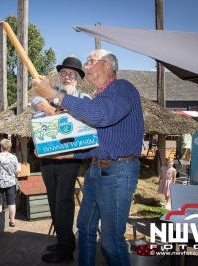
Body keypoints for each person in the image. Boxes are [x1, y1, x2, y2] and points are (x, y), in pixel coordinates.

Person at [32, 49, 144, 266]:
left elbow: (99, 115)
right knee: (84, 228)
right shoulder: (100, 97)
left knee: (111, 241)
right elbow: (96, 143)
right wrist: (67, 154)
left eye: (91, 62)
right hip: (96, 169)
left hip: (118, 172)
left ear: (108, 65)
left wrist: (55, 95)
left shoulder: (122, 88)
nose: (86, 67)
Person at [33, 56, 91, 263]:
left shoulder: (84, 99)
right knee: (52, 202)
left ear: (78, 79)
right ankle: (64, 241)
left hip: (68, 159)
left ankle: (65, 250)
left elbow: (85, 121)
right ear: (59, 76)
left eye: (71, 74)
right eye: (64, 73)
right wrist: (51, 109)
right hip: (48, 157)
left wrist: (61, 112)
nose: (67, 77)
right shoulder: (51, 94)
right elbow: (35, 100)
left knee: (64, 202)